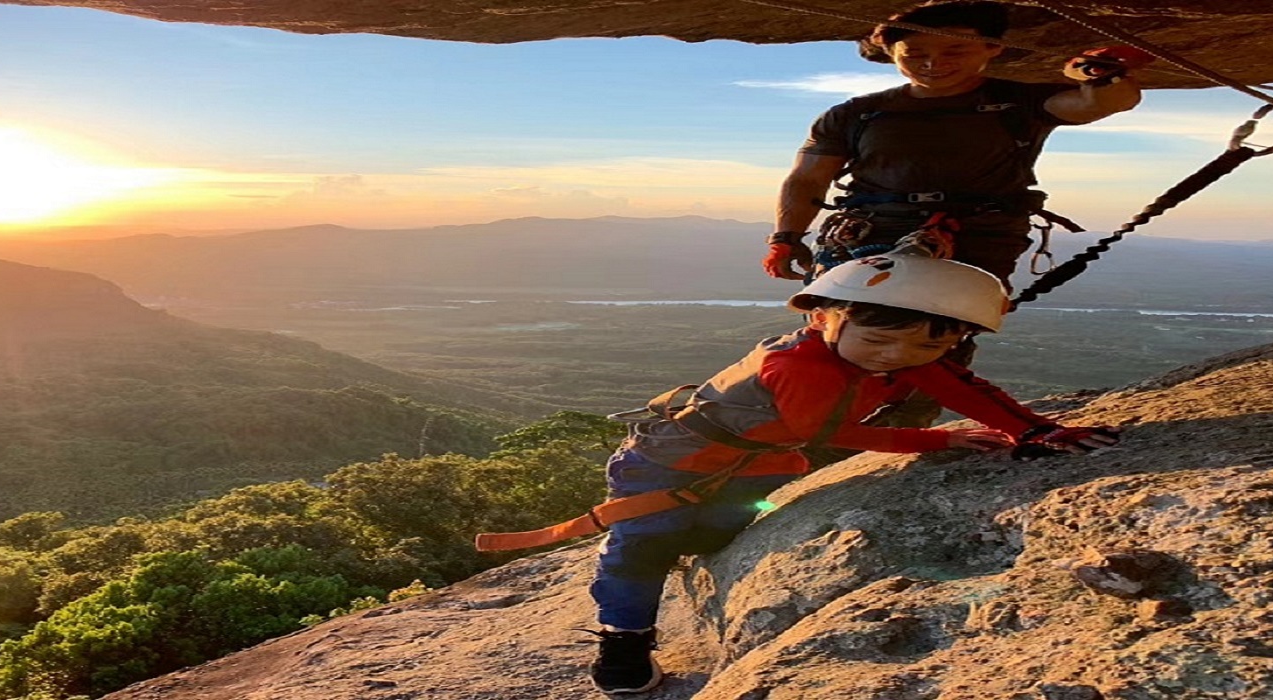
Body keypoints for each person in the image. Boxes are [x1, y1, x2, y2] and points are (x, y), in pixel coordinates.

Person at [474, 251, 1121, 694]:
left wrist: (1033, 430)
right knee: (641, 549)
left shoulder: (891, 343)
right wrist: (936, 440)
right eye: (879, 343)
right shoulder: (804, 366)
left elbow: (963, 385)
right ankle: (623, 645)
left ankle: (698, 544)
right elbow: (828, 432)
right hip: (666, 464)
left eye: (930, 343)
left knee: (717, 531)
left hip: (756, 465)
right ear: (822, 318)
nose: (899, 357)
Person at [763, 0, 1152, 285]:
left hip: (977, 235)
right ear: (890, 53)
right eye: (915, 53)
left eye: (955, 50)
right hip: (873, 230)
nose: (934, 63)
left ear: (992, 48)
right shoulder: (853, 114)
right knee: (843, 329)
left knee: (931, 333)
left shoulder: (1022, 101)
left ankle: (907, 398)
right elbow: (807, 180)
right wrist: (785, 237)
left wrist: (1101, 75)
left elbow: (1101, 103)